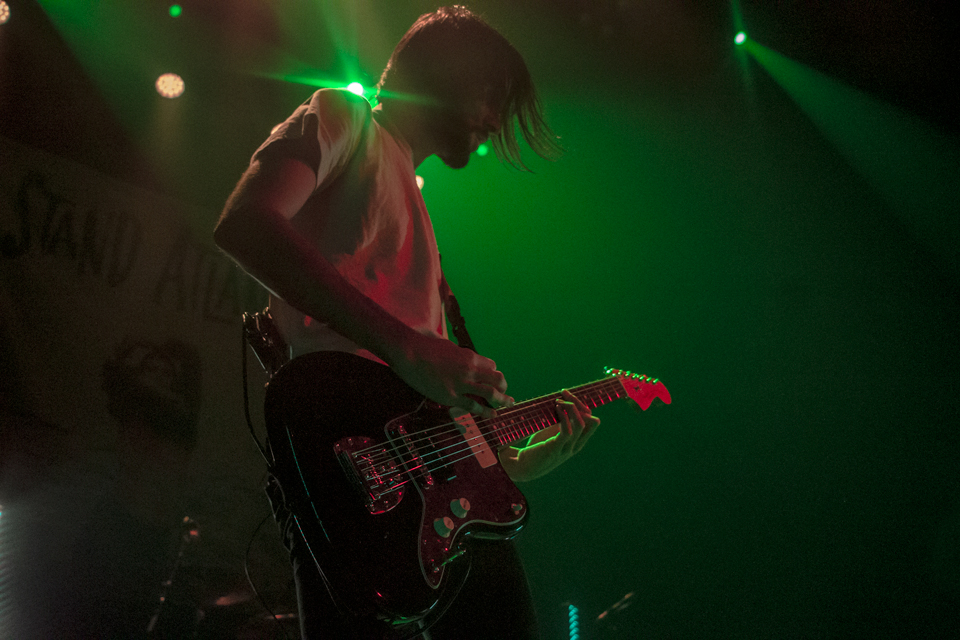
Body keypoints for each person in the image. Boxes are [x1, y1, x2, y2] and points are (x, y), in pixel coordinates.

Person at [214, 6, 600, 639]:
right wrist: (408, 349)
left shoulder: (420, 217)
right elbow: (246, 222)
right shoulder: (345, 117)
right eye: (491, 96)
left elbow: (439, 413)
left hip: (443, 508)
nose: (495, 121)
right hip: (352, 473)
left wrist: (517, 462)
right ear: (449, 74)